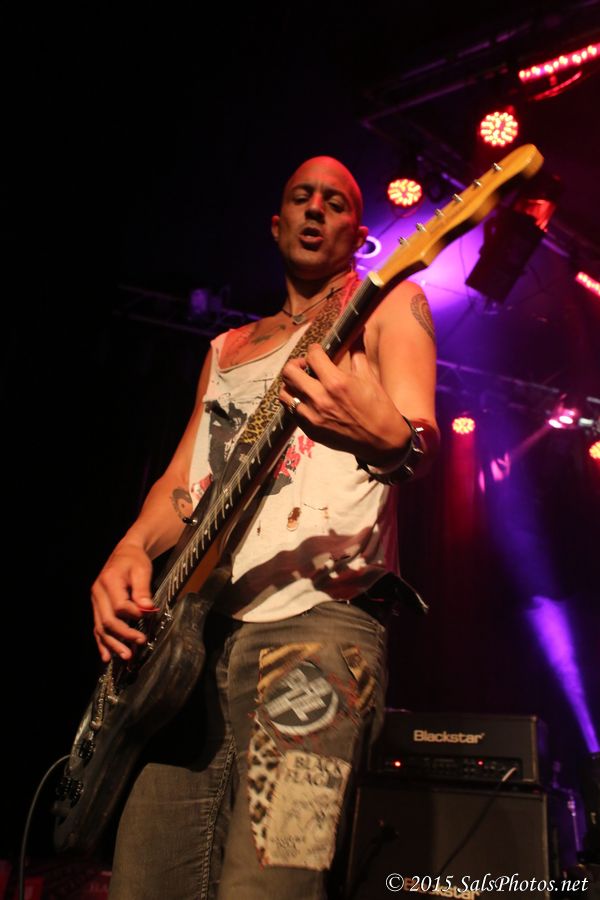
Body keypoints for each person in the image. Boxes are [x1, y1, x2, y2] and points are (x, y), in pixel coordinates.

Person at [92, 155, 439, 899]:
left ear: (360, 233)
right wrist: (129, 548)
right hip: (188, 642)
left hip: (319, 632)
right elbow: (181, 485)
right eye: (301, 197)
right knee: (143, 883)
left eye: (336, 202)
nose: (316, 209)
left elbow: (417, 436)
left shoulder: (389, 304)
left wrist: (390, 440)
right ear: (276, 225)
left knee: (274, 882)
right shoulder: (226, 349)